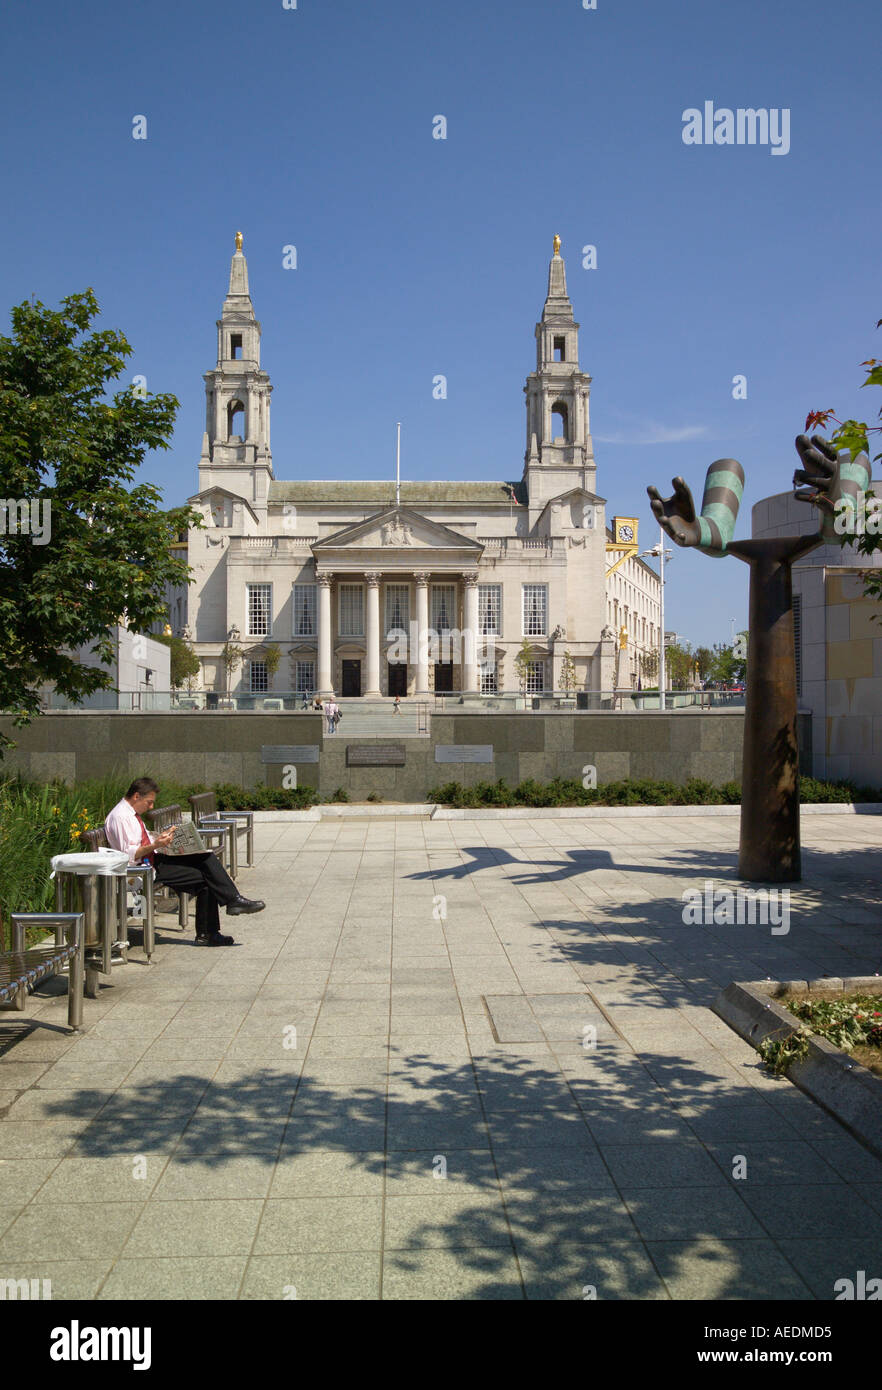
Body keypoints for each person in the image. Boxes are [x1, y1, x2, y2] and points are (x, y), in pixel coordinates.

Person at [104, 777, 265, 947]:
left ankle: (222, 916)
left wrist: (162, 838)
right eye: (149, 802)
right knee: (208, 876)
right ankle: (218, 920)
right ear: (136, 796)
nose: (151, 807)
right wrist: (156, 844)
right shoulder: (121, 817)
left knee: (206, 859)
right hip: (139, 871)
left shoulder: (130, 814)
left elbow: (141, 842)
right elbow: (128, 855)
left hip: (151, 860)